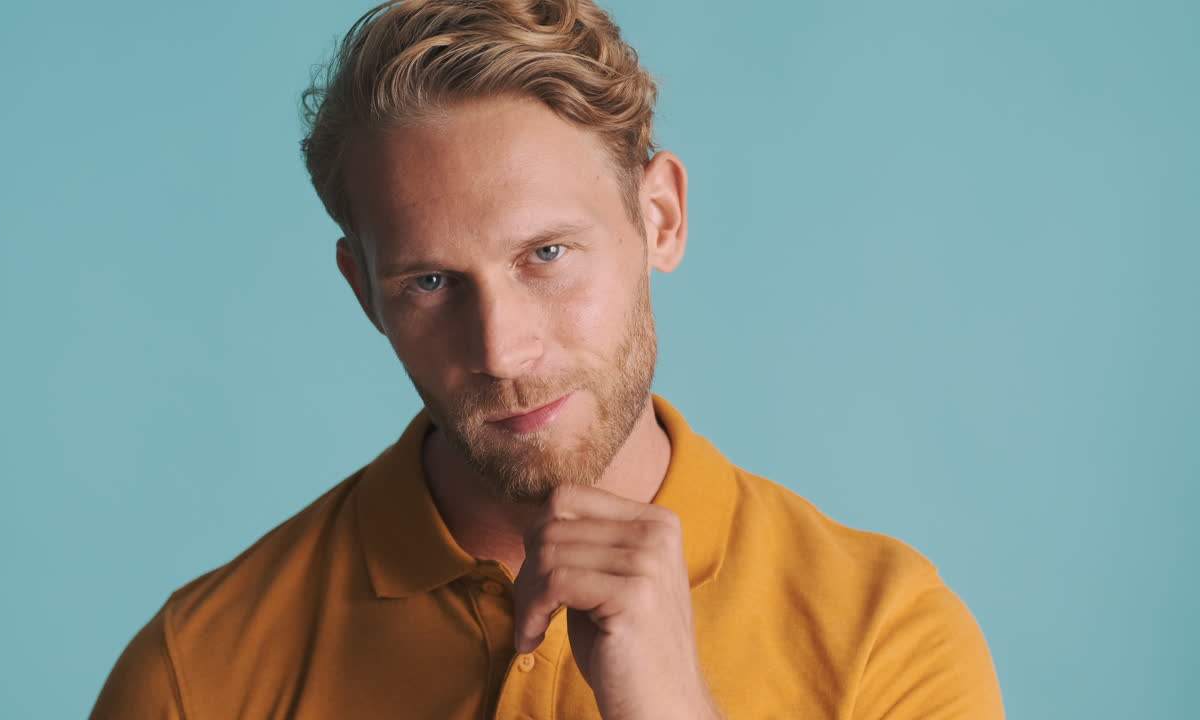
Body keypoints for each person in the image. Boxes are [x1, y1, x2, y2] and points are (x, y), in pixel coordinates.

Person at [89, 1, 1005, 718]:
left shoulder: (889, 636)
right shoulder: (195, 673)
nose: (502, 350)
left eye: (548, 255)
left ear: (661, 220)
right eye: (432, 282)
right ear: (364, 291)